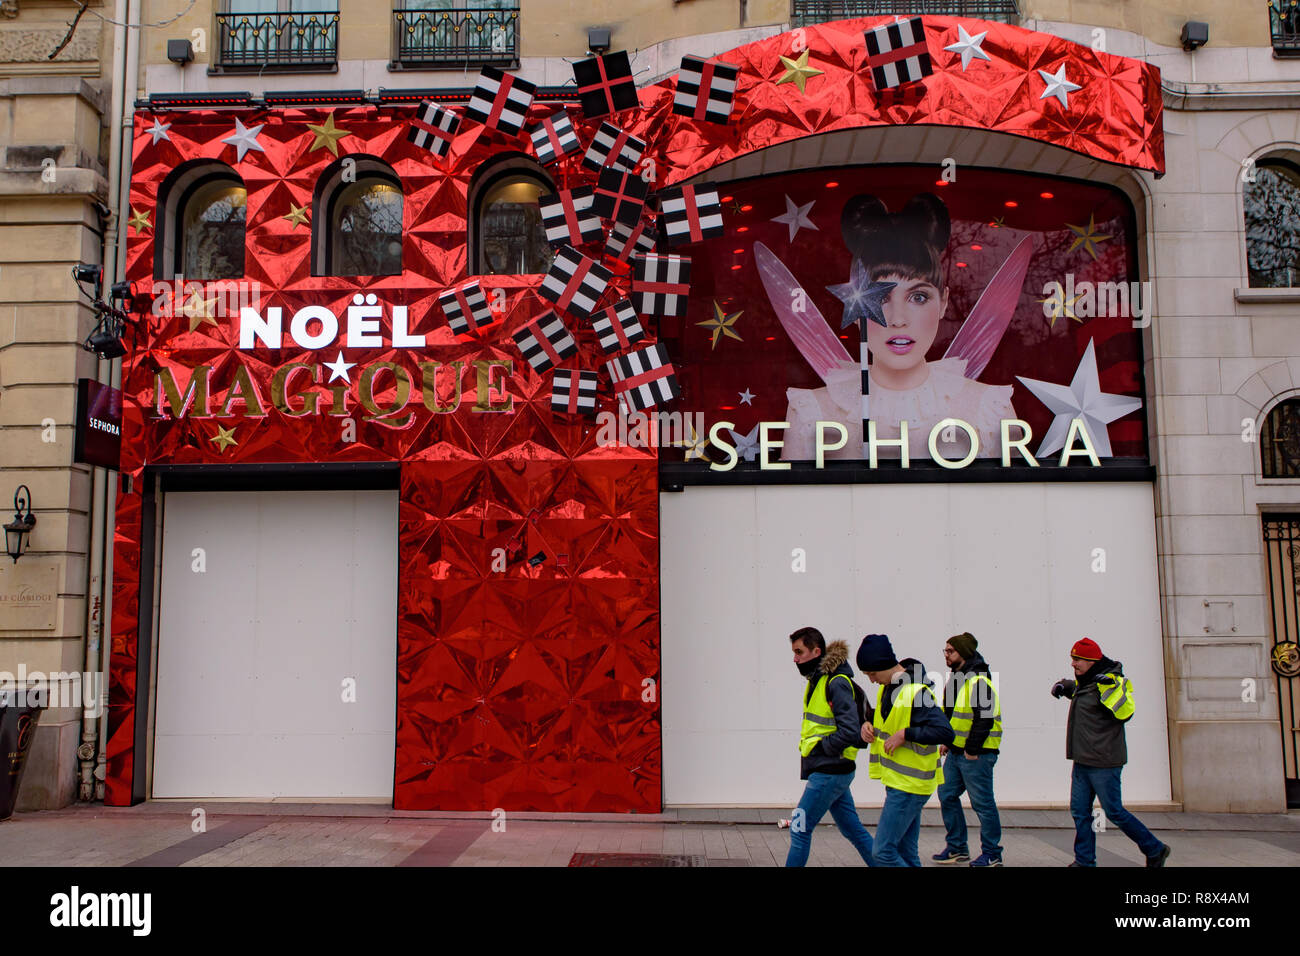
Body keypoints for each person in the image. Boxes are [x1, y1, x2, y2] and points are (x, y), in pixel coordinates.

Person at [783, 193, 1016, 462]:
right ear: (854, 307)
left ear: (943, 303)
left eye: (918, 297)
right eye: (880, 298)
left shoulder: (988, 408)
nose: (897, 319)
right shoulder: (812, 412)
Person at [1051, 638, 1171, 868]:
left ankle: (1155, 848)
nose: (1073, 664)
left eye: (1077, 660)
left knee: (1113, 810)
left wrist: (1110, 688)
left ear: (1092, 661)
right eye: (1072, 659)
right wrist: (1068, 687)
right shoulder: (1087, 682)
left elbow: (1125, 712)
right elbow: (1087, 695)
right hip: (1082, 760)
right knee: (1079, 811)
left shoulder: (1113, 682)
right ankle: (1085, 861)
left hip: (1104, 761)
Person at [857, 633, 954, 867]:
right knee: (906, 853)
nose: (871, 681)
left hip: (910, 785)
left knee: (882, 852)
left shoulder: (916, 692)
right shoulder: (888, 689)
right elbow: (884, 721)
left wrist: (906, 734)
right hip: (899, 782)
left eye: (872, 674)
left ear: (883, 665)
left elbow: (945, 732)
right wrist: (867, 725)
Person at [784, 626, 876, 867]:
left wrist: (819, 749)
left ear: (816, 651)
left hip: (829, 770)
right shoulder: (818, 680)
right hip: (832, 769)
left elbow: (848, 730)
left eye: (799, 652)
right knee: (853, 830)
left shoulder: (835, 682)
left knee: (799, 828)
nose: (795, 658)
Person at [933, 632, 1004, 867]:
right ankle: (957, 848)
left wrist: (971, 750)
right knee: (947, 795)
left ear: (963, 653)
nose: (946, 655)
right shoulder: (956, 678)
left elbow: (985, 719)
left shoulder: (979, 680)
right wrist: (947, 741)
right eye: (945, 650)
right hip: (957, 751)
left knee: (983, 804)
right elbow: (953, 717)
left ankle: (992, 853)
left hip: (977, 754)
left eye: (950, 651)